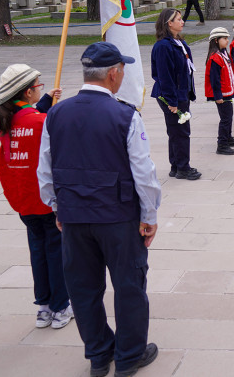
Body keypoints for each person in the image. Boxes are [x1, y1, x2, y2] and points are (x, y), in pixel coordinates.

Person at [38, 42, 161, 377]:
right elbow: (144, 173)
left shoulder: (56, 113)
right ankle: (129, 356)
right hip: (118, 218)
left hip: (74, 217)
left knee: (83, 289)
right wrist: (149, 216)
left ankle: (98, 354)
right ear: (113, 74)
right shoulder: (124, 115)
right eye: (123, 70)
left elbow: (44, 170)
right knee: (129, 287)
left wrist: (56, 208)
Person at [0, 65, 71, 330]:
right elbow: (44, 131)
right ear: (28, 92)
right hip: (45, 199)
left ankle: (44, 307)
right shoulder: (41, 121)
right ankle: (62, 307)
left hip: (22, 198)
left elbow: (27, 118)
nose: (41, 88)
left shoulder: (2, 119)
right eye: (38, 86)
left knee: (37, 251)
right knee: (56, 252)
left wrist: (46, 100)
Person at [151, 8, 200, 180]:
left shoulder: (177, 41)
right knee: (181, 131)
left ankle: (176, 165)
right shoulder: (163, 46)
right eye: (178, 19)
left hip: (180, 93)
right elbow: (165, 76)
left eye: (181, 18)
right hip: (171, 96)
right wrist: (172, 101)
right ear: (168, 23)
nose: (182, 21)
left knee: (175, 130)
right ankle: (183, 168)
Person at [205, 27, 234, 155]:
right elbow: (214, 79)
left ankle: (228, 137)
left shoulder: (223, 54)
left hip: (228, 90)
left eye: (227, 38)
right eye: (224, 38)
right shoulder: (215, 57)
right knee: (225, 118)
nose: (227, 41)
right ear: (216, 40)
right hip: (222, 93)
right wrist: (218, 95)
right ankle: (222, 144)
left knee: (229, 116)